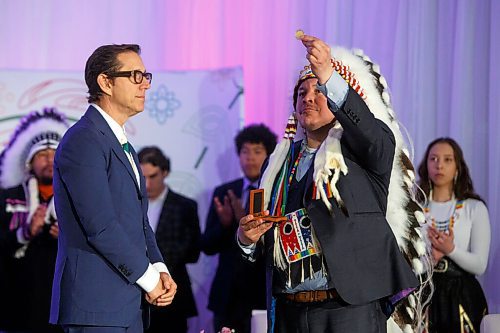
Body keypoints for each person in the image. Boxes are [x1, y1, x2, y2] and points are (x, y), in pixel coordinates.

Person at [236, 35, 422, 333]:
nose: (308, 97)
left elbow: (367, 130)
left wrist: (328, 76)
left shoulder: (364, 152)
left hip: (349, 307)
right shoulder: (279, 165)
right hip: (290, 307)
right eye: (301, 92)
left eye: (318, 90)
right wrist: (246, 239)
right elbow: (263, 240)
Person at [50, 44, 177, 333]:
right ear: (105, 82)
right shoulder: (83, 140)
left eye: (146, 75)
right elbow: (101, 226)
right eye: (134, 75)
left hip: (127, 306)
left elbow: (140, 222)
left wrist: (159, 268)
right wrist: (149, 279)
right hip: (95, 307)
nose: (145, 83)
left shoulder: (123, 145)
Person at [201, 124, 277, 333]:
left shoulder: (275, 192)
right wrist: (227, 225)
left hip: (262, 291)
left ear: (270, 155)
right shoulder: (224, 192)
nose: (250, 158)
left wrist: (243, 219)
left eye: (257, 151)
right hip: (227, 295)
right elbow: (207, 245)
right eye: (245, 152)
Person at [0, 108, 68, 333]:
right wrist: (24, 232)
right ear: (29, 161)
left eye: (55, 153)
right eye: (42, 154)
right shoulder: (8, 197)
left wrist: (68, 238)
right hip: (16, 305)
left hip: (63, 308)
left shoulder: (77, 198)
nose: (49, 160)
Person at [417, 137, 490, 333]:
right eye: (433, 159)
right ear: (425, 165)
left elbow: (480, 265)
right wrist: (431, 258)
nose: (439, 165)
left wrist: (450, 249)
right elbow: (406, 265)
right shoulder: (415, 208)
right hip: (424, 297)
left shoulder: (474, 208)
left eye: (447, 159)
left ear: (458, 166)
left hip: (463, 297)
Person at [138, 146, 201, 333]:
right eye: (143, 178)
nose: (147, 184)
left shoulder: (185, 206)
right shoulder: (129, 205)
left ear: (165, 172)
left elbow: (193, 253)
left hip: (172, 295)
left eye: (153, 176)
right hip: (136, 297)